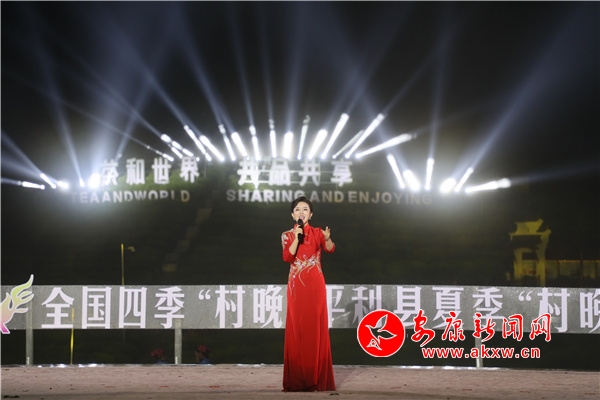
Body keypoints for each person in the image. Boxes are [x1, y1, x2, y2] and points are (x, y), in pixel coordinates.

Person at [281, 196, 336, 392]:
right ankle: (298, 378)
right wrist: (297, 238)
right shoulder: (287, 235)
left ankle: (316, 378)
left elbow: (330, 249)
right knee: (298, 329)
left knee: (315, 329)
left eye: (305, 209)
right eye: (297, 209)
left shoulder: (318, 233)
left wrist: (327, 239)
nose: (301, 212)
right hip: (296, 288)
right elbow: (288, 257)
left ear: (311, 214)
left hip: (315, 286)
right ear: (292, 214)